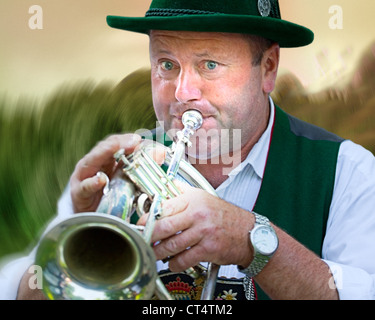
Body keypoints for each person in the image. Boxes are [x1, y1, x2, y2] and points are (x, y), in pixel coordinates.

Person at [2, 0, 375, 300]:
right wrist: (83, 228)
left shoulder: (347, 171)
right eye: (167, 64)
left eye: (209, 65)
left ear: (268, 69)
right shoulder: (125, 169)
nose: (182, 93)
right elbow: (28, 282)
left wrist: (252, 240)